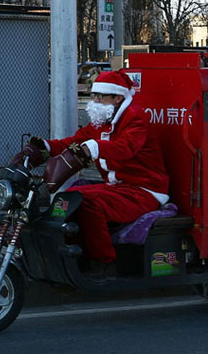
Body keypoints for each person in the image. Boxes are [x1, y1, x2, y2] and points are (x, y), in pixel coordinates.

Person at [12, 70, 170, 279]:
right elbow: (74, 142)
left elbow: (126, 148)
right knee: (69, 196)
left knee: (88, 203)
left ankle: (104, 262)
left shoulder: (135, 117)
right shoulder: (102, 119)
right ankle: (71, 251)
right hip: (118, 186)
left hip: (143, 190)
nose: (94, 100)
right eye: (94, 95)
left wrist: (94, 148)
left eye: (100, 96)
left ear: (117, 97)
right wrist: (43, 149)